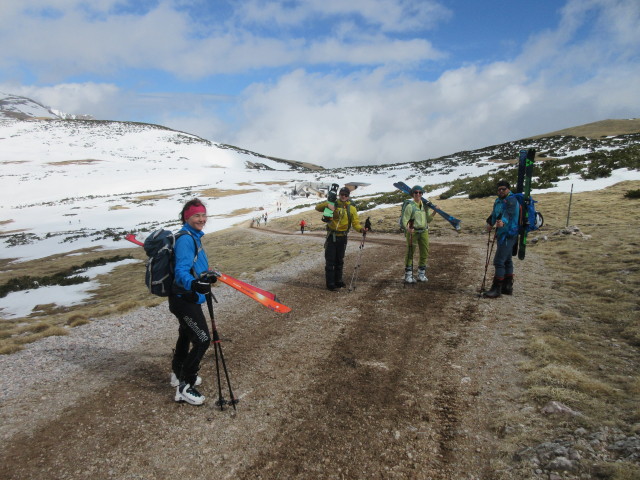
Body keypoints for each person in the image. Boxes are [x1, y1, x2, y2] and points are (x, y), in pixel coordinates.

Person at [168, 198, 217, 405]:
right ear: (187, 217)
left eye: (203, 215)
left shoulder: (193, 236)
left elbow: (193, 266)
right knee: (202, 339)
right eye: (196, 215)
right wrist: (195, 284)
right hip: (184, 299)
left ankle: (178, 373)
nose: (201, 219)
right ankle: (185, 387)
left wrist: (206, 276)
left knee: (186, 335)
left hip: (186, 297)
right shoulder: (187, 239)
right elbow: (180, 272)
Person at [315, 187, 369, 291]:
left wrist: (361, 229)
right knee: (330, 261)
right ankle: (330, 283)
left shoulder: (351, 208)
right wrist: (328, 204)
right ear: (339, 194)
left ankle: (338, 281)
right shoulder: (333, 203)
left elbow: (355, 223)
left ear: (348, 196)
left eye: (345, 194)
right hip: (331, 236)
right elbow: (317, 208)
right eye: (342, 194)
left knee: (339, 260)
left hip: (343, 237)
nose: (343, 196)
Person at [482, 180, 520, 298]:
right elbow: (495, 214)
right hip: (502, 234)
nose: (501, 191)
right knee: (507, 259)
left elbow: (508, 214)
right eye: (499, 189)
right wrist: (490, 223)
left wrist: (503, 222)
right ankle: (507, 287)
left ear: (508, 189)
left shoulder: (512, 200)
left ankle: (496, 289)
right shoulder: (498, 201)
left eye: (503, 189)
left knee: (498, 261)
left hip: (509, 234)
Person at [401, 185, 435, 283]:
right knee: (410, 253)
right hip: (413, 232)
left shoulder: (425, 206)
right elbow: (405, 220)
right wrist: (408, 228)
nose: (418, 194)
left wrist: (434, 212)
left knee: (424, 252)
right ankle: (408, 275)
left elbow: (428, 219)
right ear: (413, 194)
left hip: (424, 231)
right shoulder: (410, 206)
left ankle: (421, 274)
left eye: (420, 192)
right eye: (416, 192)